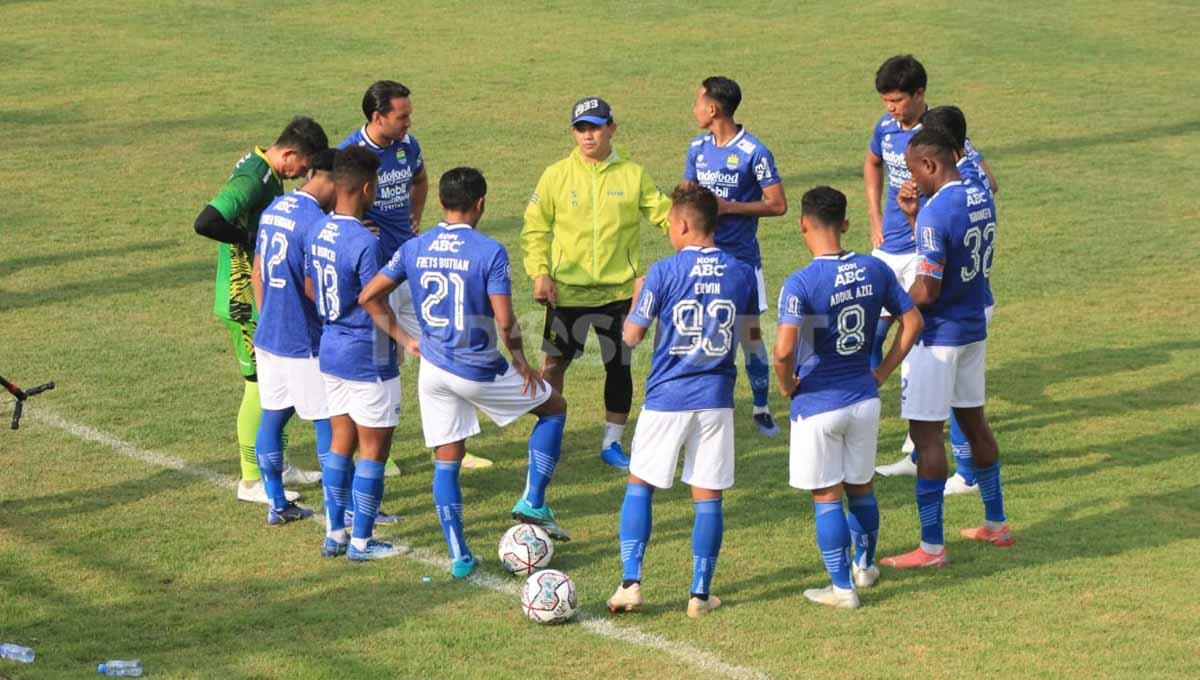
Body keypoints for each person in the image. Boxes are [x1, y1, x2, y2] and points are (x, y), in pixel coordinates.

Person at [360, 167, 571, 578]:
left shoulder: (414, 247)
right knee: (554, 407)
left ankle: (460, 556)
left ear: (440, 203)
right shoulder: (489, 251)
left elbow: (369, 295)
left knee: (448, 460)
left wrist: (406, 340)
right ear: (481, 204)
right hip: (477, 368)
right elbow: (505, 319)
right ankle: (532, 498)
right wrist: (521, 361)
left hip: (433, 370)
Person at [606, 184, 759, 619]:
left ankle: (631, 584)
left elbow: (631, 338)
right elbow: (752, 342)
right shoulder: (742, 272)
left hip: (666, 398)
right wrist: (762, 399)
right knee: (707, 496)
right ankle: (699, 594)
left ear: (686, 225)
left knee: (641, 485)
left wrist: (638, 300)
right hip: (715, 399)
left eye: (672, 225)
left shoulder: (663, 271)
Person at [773, 187, 923, 609]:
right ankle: (864, 565)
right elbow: (912, 321)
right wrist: (883, 371)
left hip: (818, 402)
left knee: (826, 496)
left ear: (803, 224)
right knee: (862, 488)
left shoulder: (801, 283)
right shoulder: (875, 270)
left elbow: (784, 351)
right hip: (863, 397)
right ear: (845, 223)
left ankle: (841, 589)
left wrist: (786, 386)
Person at [339, 81, 492, 471]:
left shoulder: (410, 147)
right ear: (378, 117)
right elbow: (329, 201)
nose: (409, 122)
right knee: (374, 362)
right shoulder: (349, 155)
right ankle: (370, 451)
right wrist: (353, 224)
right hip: (372, 273)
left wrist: (415, 217)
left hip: (410, 269)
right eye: (402, 116)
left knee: (437, 347)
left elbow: (420, 180)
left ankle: (450, 443)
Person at [879, 129, 1011, 570]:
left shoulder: (939, 212)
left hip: (938, 338)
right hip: (974, 325)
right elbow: (951, 254)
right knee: (974, 420)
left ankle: (931, 548)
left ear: (930, 164)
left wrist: (891, 303)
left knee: (927, 435)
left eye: (915, 169)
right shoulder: (979, 195)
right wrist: (916, 217)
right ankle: (996, 522)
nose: (912, 179)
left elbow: (928, 289)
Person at [522, 97, 672, 470]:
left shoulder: (633, 175)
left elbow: (667, 217)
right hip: (567, 292)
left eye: (595, 127)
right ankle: (549, 433)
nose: (588, 136)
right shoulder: (555, 175)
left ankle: (611, 443)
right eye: (581, 128)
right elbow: (535, 228)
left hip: (619, 294)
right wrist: (540, 272)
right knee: (555, 365)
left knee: (618, 366)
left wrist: (697, 247)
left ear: (612, 129)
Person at [193, 116, 326, 505]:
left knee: (277, 384)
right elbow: (206, 221)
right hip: (243, 300)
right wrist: (248, 237)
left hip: (259, 294)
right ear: (289, 154)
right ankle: (251, 479)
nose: (305, 174)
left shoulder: (266, 171)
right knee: (259, 386)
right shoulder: (253, 179)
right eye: (304, 165)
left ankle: (276, 465)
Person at [308, 147, 417, 562]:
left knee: (340, 444)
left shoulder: (319, 231)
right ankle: (362, 542)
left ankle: (335, 533)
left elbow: (310, 285)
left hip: (331, 349)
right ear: (367, 187)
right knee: (373, 450)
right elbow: (375, 303)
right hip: (368, 356)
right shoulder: (364, 243)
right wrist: (405, 339)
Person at [683, 76, 788, 436]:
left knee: (750, 339)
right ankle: (703, 406)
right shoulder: (697, 149)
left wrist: (731, 207)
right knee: (699, 334)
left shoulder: (754, 153)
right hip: (701, 261)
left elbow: (778, 204)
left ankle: (760, 407)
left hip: (742, 263)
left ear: (713, 109)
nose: (694, 109)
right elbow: (686, 196)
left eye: (698, 103)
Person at [248, 148, 338, 524]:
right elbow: (312, 286)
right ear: (329, 179)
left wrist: (264, 318)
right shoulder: (315, 222)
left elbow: (257, 270)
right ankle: (340, 514)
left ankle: (276, 504)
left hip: (269, 335)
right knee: (328, 422)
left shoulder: (276, 208)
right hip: (303, 341)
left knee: (272, 418)